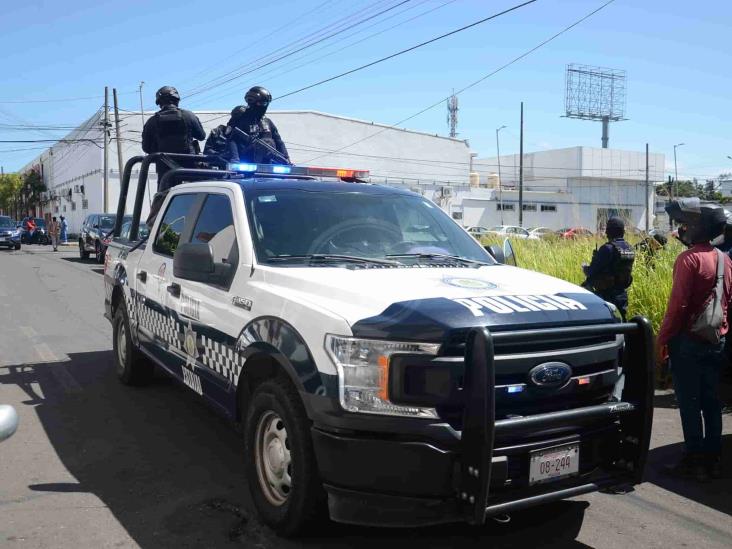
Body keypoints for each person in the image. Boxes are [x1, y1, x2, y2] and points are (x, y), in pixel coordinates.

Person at [657, 198, 729, 482]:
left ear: (699, 228)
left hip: (687, 342)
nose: (682, 229)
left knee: (689, 402)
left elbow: (678, 308)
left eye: (686, 224)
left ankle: (693, 459)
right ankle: (713, 459)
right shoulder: (725, 259)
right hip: (716, 340)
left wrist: (662, 340)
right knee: (711, 402)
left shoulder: (688, 260)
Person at [142, 86, 206, 228]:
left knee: (163, 201)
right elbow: (201, 136)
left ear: (159, 102)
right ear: (177, 100)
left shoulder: (152, 121)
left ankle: (155, 228)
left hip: (165, 171)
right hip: (191, 169)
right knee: (197, 200)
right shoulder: (188, 116)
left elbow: (146, 147)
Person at [581, 217, 635, 321]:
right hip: (622, 294)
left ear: (608, 232)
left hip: (606, 295)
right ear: (623, 231)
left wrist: (585, 268)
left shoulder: (607, 248)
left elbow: (591, 272)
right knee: (621, 323)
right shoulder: (629, 248)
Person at [226, 86, 289, 164]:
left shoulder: (267, 122)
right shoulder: (240, 119)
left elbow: (279, 141)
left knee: (269, 141)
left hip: (269, 163)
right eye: (262, 103)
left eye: (266, 103)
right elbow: (232, 140)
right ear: (252, 102)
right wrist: (235, 159)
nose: (264, 106)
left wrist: (287, 159)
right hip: (245, 162)